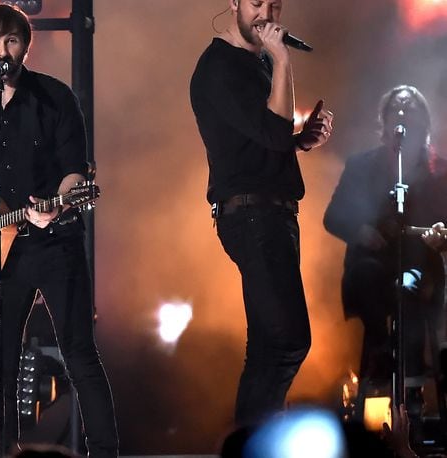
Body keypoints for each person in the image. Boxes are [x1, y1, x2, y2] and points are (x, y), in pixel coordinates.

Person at [0, 5, 118, 457]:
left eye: (11, 41)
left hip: (56, 243)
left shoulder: (56, 98)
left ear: (25, 45)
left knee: (79, 354)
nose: (2, 50)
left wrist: (57, 205)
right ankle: (2, 452)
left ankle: (105, 452)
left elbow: (76, 176)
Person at [190, 0, 334, 426]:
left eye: (274, 3)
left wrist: (300, 141)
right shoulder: (222, 68)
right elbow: (272, 131)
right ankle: (256, 444)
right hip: (253, 217)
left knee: (270, 346)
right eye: (256, 2)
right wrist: (283, 58)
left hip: (268, 214)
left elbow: (261, 141)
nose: (266, 14)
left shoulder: (252, 63)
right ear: (233, 3)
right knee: (287, 342)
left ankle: (257, 442)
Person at [324, 86, 447, 408]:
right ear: (385, 120)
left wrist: (441, 235)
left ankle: (411, 392)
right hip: (371, 267)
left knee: (410, 288)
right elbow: (333, 216)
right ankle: (379, 351)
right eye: (396, 109)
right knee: (367, 275)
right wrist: (361, 230)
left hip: (421, 266)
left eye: (410, 109)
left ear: (425, 121)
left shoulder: (441, 171)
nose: (402, 114)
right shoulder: (360, 165)